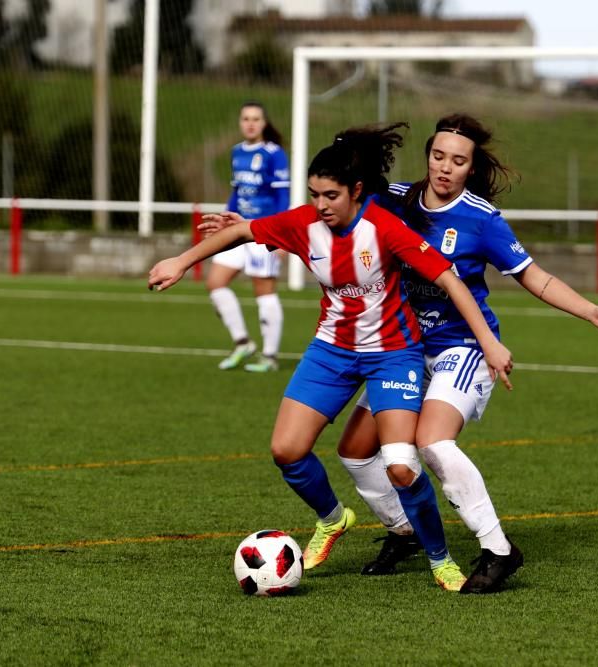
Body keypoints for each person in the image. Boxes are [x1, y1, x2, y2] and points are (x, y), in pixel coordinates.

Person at [150, 123, 515, 592]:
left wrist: (488, 340)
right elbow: (241, 231)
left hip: (393, 355)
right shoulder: (303, 224)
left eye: (330, 195)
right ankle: (332, 518)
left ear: (356, 192)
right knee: (286, 450)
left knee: (402, 464)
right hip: (332, 350)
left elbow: (448, 279)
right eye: (314, 194)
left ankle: (440, 558)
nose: (320, 205)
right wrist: (181, 261)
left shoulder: (384, 227)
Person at [335, 113, 598, 594]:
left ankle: (498, 548)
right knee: (354, 451)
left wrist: (590, 312)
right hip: (403, 351)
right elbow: (332, 203)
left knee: (433, 444)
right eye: (438, 156)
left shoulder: (482, 219)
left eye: (458, 161)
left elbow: (534, 276)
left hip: (464, 346)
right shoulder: (392, 200)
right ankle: (404, 531)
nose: (444, 168)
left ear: (471, 168)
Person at [207, 102, 289, 373]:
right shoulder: (237, 152)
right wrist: (223, 218)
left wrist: (279, 235)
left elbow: (282, 196)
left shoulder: (274, 154)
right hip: (236, 229)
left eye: (256, 119)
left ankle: (269, 355)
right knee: (215, 282)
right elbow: (236, 192)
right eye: (246, 119)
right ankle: (242, 342)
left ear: (264, 123)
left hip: (262, 231)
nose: (250, 123)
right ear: (240, 122)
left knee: (263, 291)